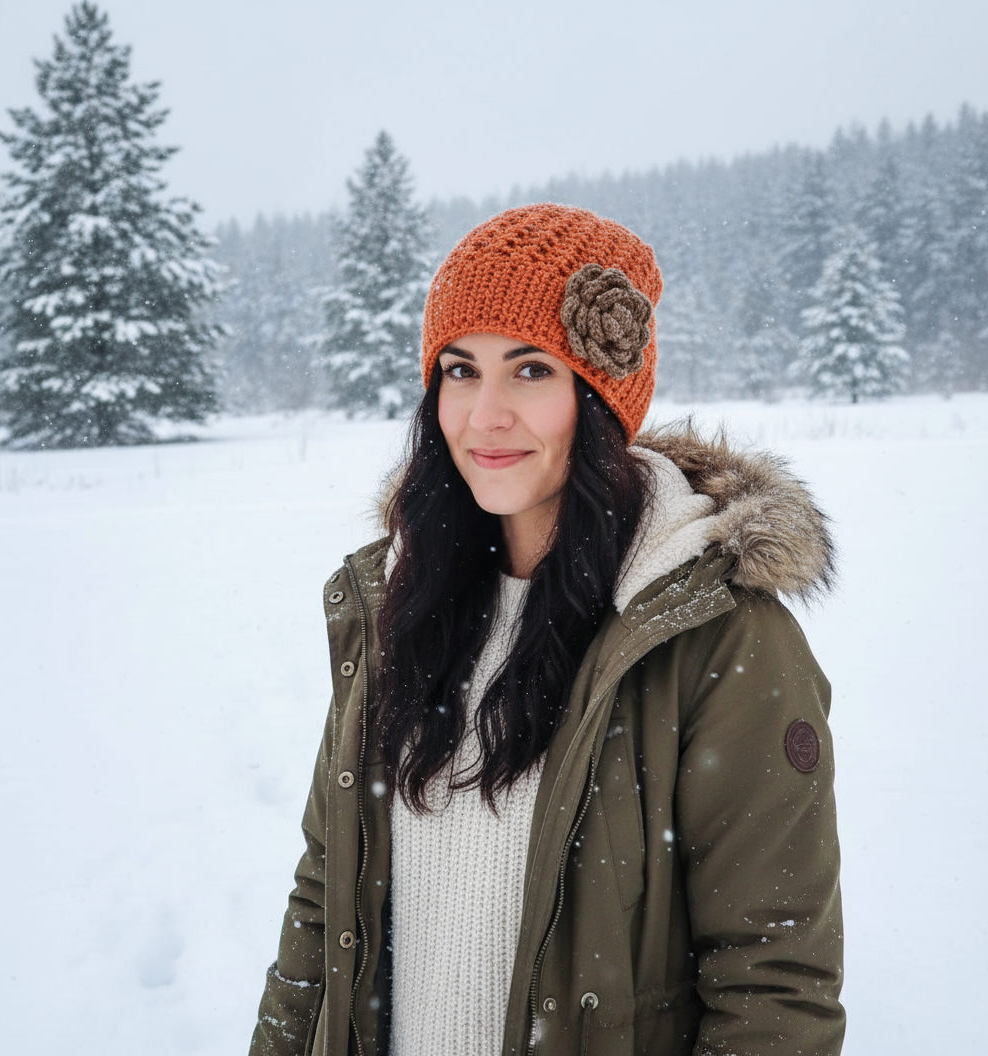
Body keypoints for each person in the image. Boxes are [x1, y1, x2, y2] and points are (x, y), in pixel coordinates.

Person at [249, 204, 845, 1056]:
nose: (484, 415)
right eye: (459, 371)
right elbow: (324, 898)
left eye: (530, 371)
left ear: (598, 397)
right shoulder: (394, 607)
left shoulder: (714, 637)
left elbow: (773, 981)